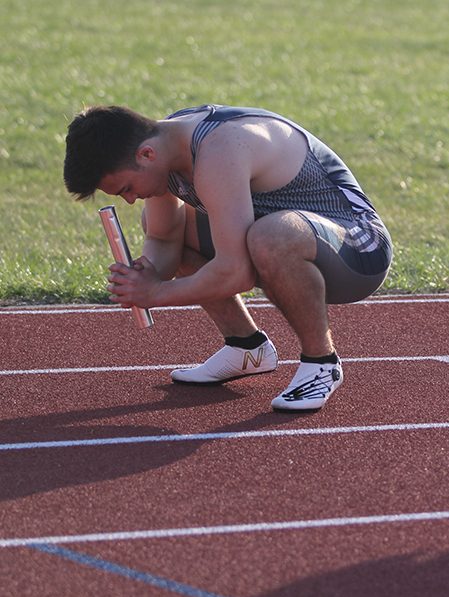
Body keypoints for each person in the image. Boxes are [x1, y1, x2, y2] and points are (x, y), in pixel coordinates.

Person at [63, 104, 392, 412]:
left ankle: (321, 364)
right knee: (165, 225)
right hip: (293, 238)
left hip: (359, 248)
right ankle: (246, 346)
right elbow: (164, 241)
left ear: (146, 154)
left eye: (127, 189)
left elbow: (236, 273)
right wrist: (143, 276)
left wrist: (156, 294)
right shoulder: (163, 148)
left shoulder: (218, 150)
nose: (132, 199)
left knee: (270, 236)